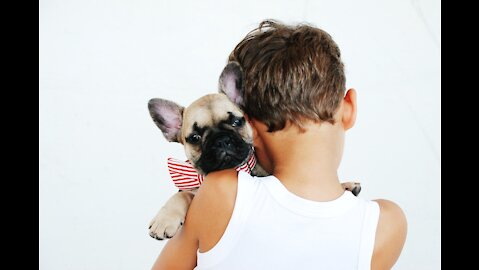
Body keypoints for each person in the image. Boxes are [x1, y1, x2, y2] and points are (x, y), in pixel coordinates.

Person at [152, 20, 407, 270]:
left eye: (234, 124)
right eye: (198, 137)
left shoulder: (220, 191)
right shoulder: (386, 223)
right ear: (349, 108)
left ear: (250, 122)